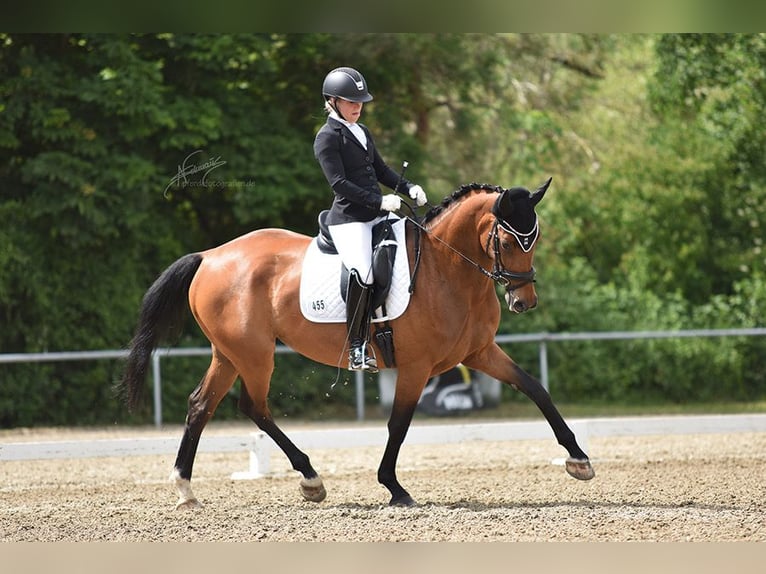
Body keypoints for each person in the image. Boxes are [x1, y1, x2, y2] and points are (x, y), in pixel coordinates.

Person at [314, 66, 427, 372]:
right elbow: (339, 184)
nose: (357, 106)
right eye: (350, 101)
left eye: (360, 101)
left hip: (376, 216)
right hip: (349, 221)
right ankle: (356, 347)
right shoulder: (327, 138)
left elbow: (381, 171)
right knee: (363, 272)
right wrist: (379, 201)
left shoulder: (362, 132)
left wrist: (408, 187)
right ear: (333, 101)